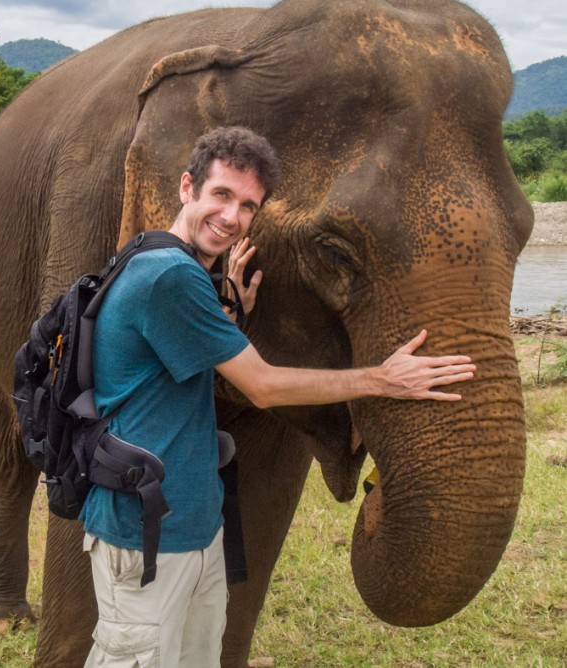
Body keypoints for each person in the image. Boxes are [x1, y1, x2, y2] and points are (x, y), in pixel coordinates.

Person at [79, 126, 476, 667]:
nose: (232, 217)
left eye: (248, 206)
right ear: (186, 187)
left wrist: (232, 312)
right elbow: (262, 387)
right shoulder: (169, 276)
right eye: (221, 195)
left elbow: (176, 355)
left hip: (191, 522)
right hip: (143, 532)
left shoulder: (161, 259)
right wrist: (383, 379)